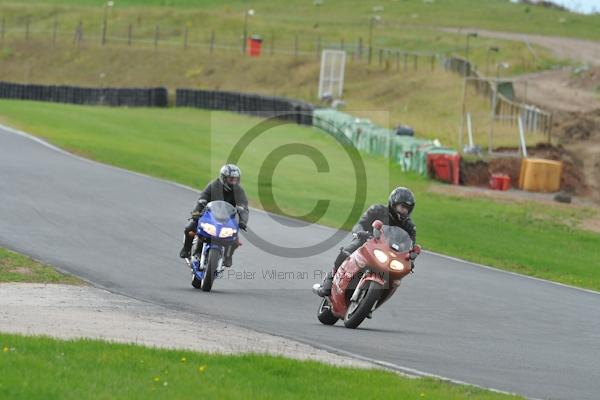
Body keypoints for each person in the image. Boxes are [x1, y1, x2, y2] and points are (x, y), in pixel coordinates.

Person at [317, 187, 417, 297]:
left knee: (396, 279)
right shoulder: (377, 210)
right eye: (402, 206)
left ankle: (374, 301)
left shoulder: (409, 226)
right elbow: (360, 224)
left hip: (389, 254)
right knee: (348, 250)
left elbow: (410, 245)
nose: (404, 211)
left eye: (407, 208)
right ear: (394, 203)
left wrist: (410, 257)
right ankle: (330, 279)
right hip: (368, 243)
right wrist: (361, 232)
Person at [179, 164, 249, 267]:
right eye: (231, 179)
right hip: (209, 215)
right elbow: (202, 199)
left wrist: (243, 221)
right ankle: (186, 248)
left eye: (236, 179)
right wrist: (196, 213)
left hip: (227, 219)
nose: (234, 182)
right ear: (223, 178)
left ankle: (228, 256)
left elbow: (244, 208)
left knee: (234, 239)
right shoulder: (213, 185)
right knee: (189, 229)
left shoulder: (239, 191)